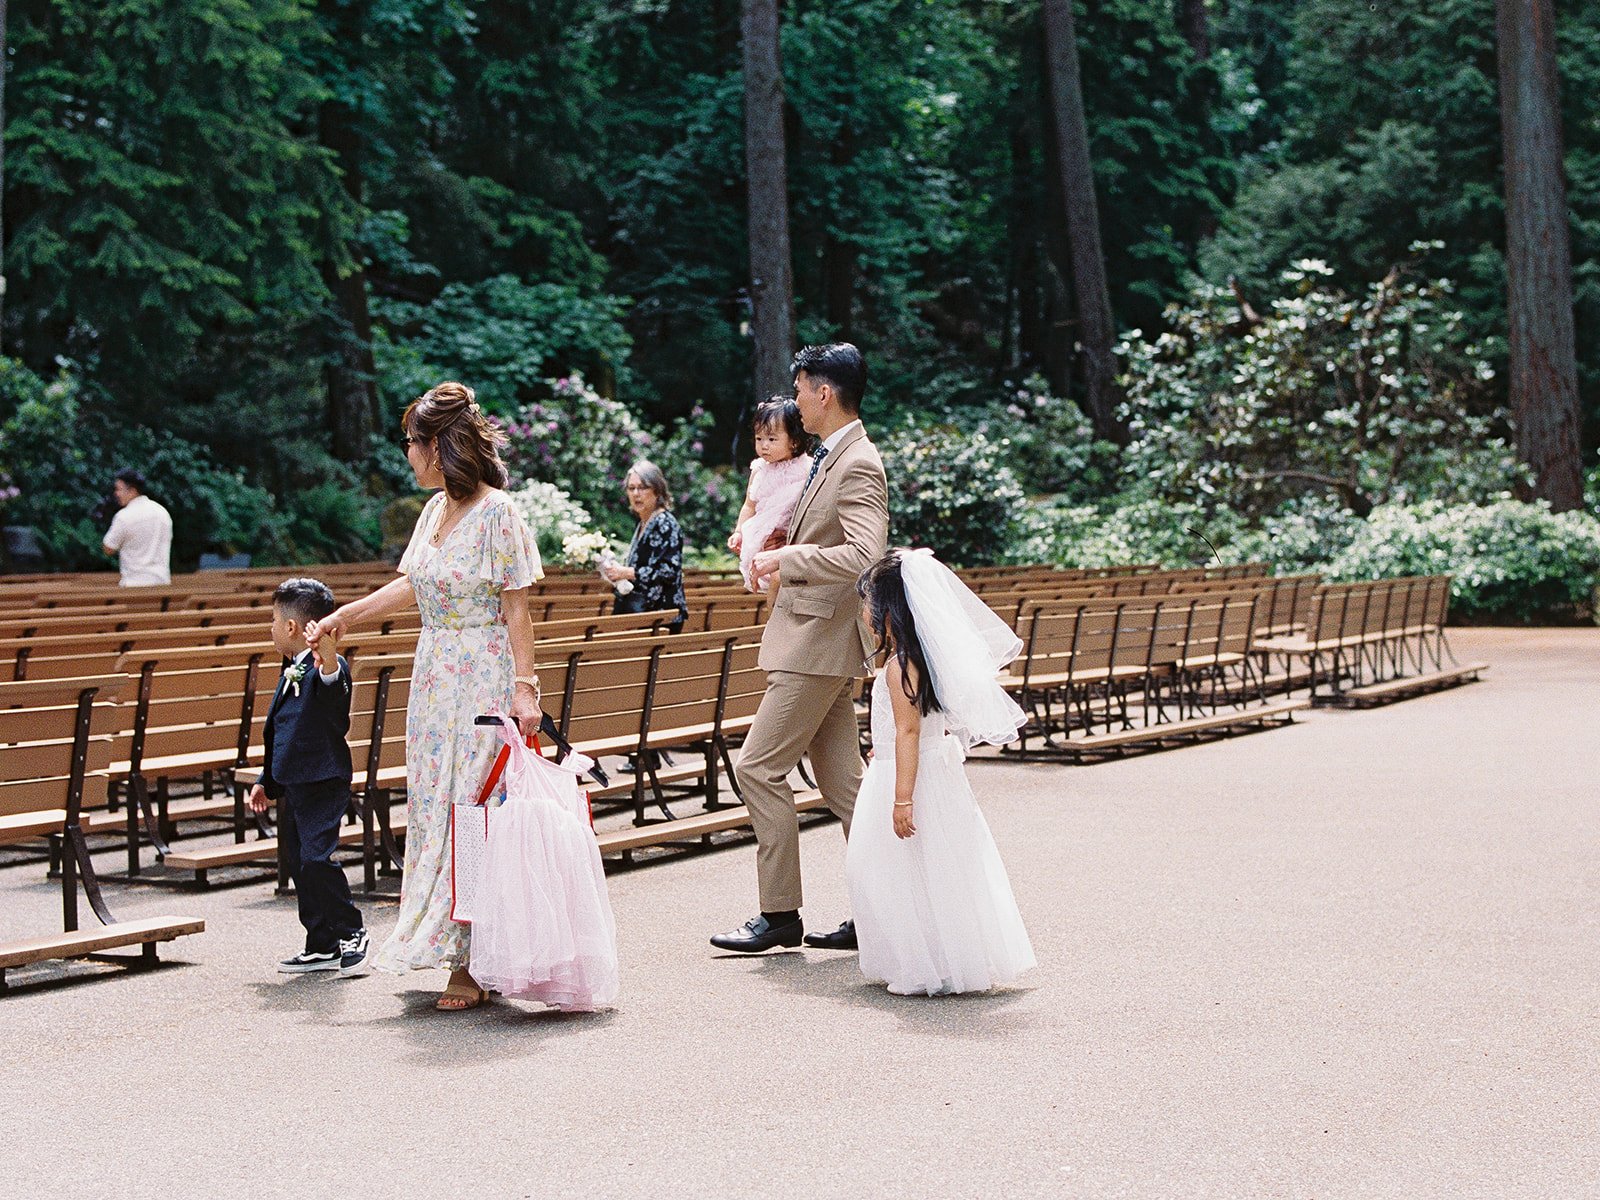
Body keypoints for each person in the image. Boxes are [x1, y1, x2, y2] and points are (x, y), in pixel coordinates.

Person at [305, 382, 544, 1011]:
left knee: (472, 809)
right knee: (435, 805)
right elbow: (408, 587)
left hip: (482, 672)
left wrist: (526, 689)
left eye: (411, 443)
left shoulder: (499, 513)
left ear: (437, 446)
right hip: (435, 674)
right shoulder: (433, 511)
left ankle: (470, 961)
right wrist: (343, 618)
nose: (406, 454)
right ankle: (449, 946)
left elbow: (517, 610)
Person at [711, 343, 889, 954]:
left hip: (817, 642)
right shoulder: (830, 455)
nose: (795, 400)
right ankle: (886, 907)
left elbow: (866, 554)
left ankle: (778, 913)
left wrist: (790, 557)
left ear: (823, 392)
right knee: (846, 787)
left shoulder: (858, 461)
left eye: (801, 387)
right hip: (820, 640)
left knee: (757, 768)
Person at [845, 549, 1035, 995]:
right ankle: (947, 957)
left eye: (871, 606)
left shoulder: (897, 668)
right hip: (930, 768)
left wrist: (901, 798)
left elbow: (909, 730)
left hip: (909, 777)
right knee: (941, 868)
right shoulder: (925, 659)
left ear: (891, 610)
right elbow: (917, 726)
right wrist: (884, 748)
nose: (868, 617)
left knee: (891, 870)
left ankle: (921, 964)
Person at [247, 578, 369, 977]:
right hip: (294, 779)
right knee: (298, 861)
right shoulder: (292, 667)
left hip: (323, 778)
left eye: (273, 621)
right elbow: (280, 729)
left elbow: (333, 687)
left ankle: (352, 930)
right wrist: (267, 778)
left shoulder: (324, 666)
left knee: (317, 858)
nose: (270, 628)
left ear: (291, 628)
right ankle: (321, 943)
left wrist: (330, 656)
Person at [728, 397, 812, 592]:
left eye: (772, 439)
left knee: (780, 579)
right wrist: (739, 531)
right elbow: (749, 505)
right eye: (759, 438)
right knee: (766, 582)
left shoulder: (806, 468)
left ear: (794, 441)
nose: (764, 445)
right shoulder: (759, 469)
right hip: (763, 540)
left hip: (793, 542)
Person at [604, 460, 689, 632]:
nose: (636, 494)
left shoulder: (665, 523)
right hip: (643, 613)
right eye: (631, 488)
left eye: (642, 487)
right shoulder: (644, 522)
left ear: (657, 490)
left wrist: (627, 572)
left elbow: (669, 571)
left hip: (662, 615)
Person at [101, 469, 172, 586]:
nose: (116, 494)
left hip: (134, 586)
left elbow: (108, 548)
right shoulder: (162, 512)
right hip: (162, 584)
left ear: (132, 491)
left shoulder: (124, 516)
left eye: (119, 489)